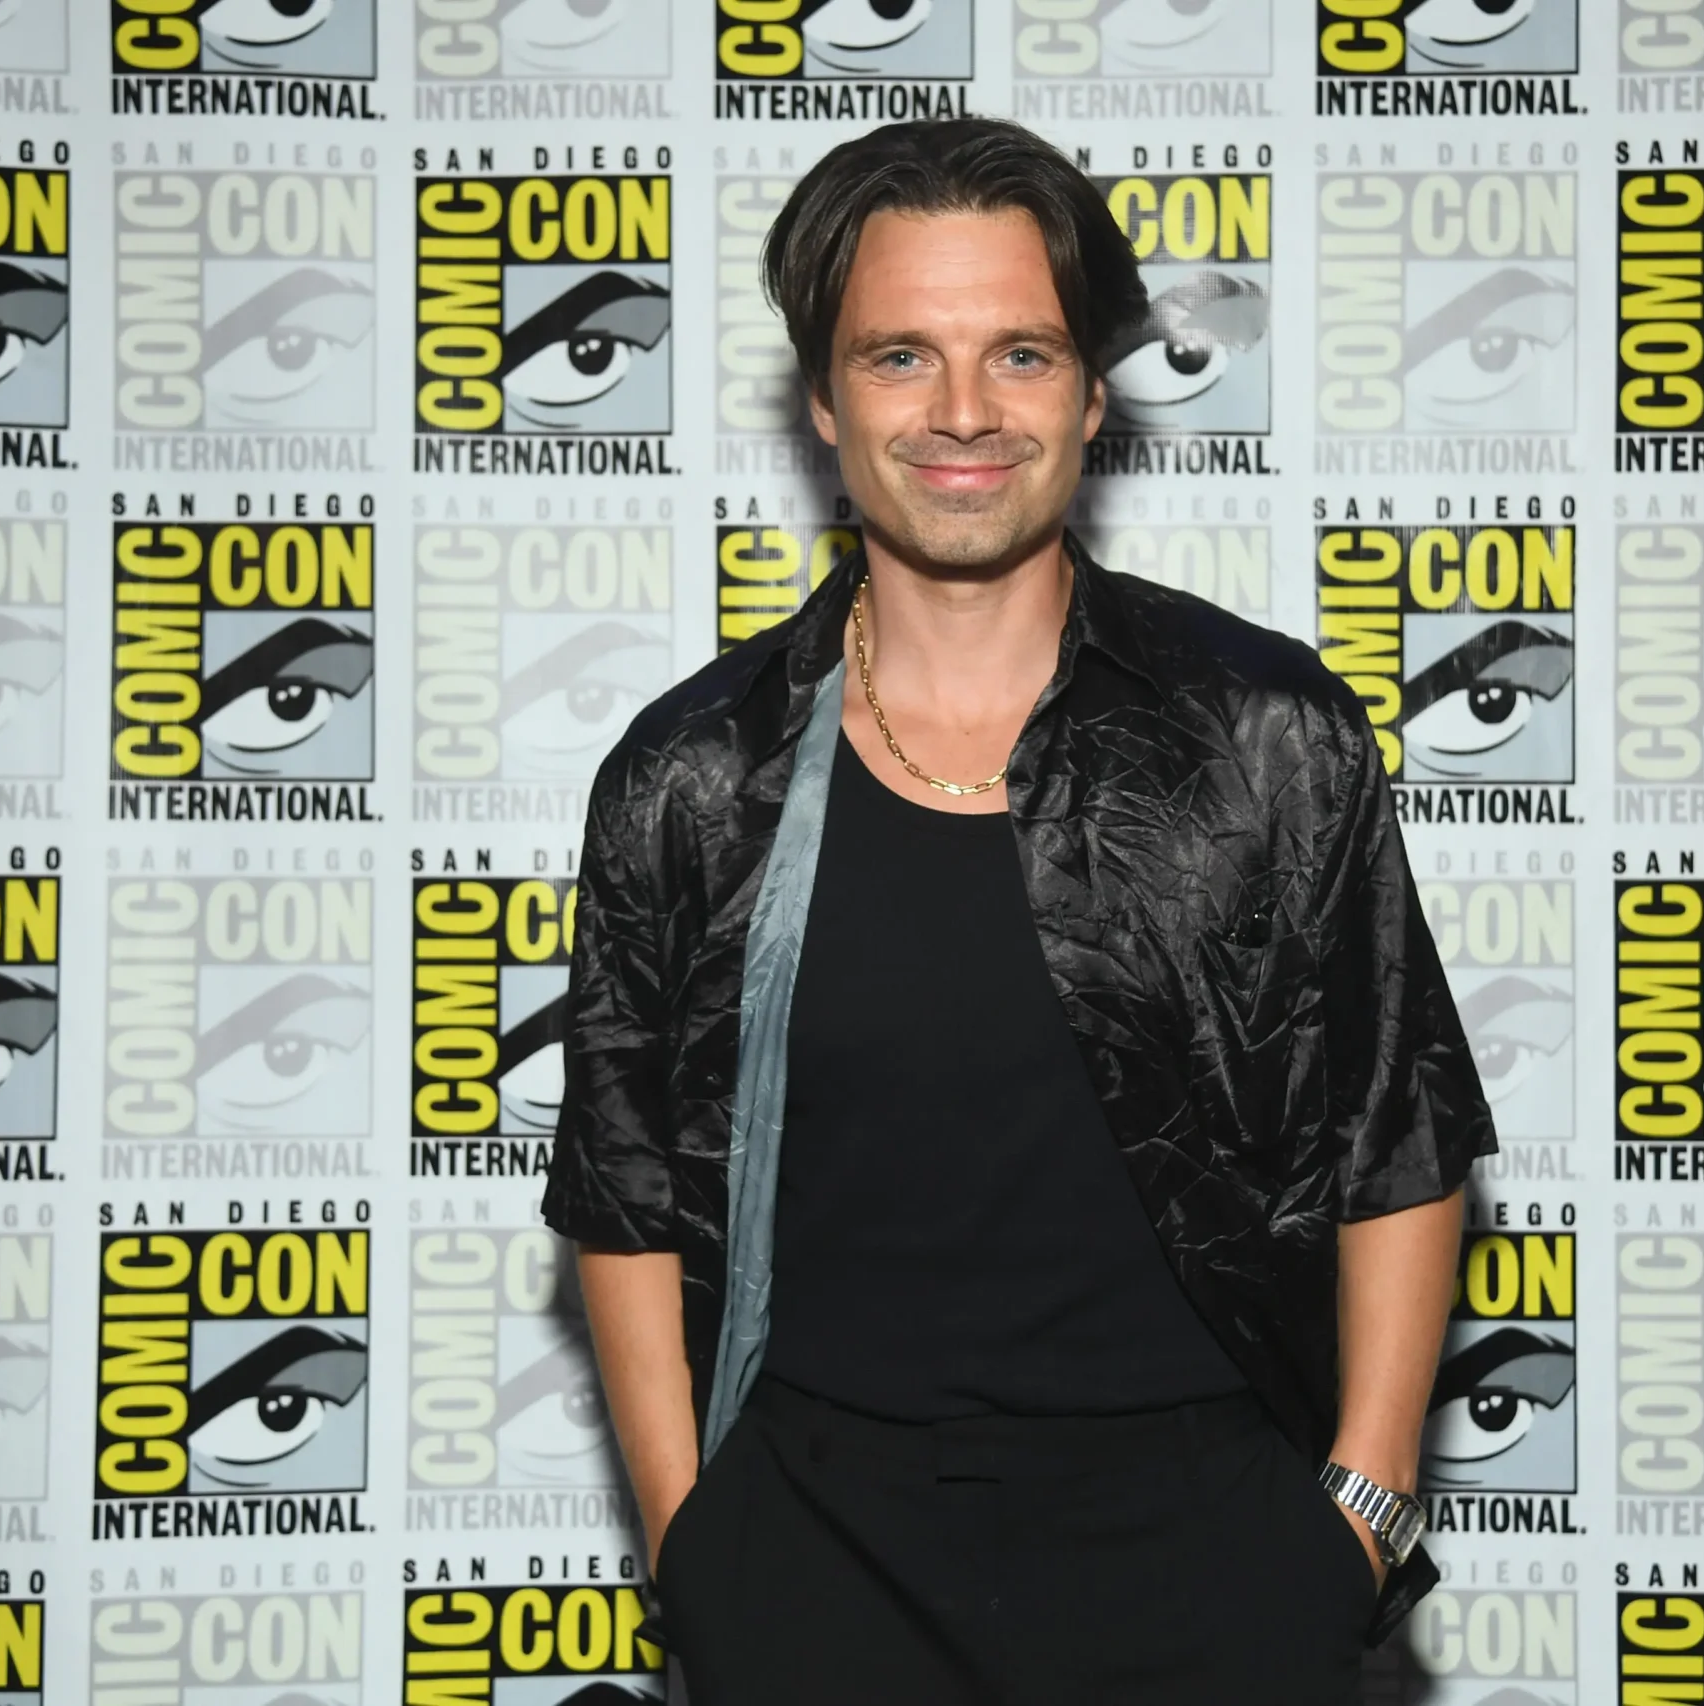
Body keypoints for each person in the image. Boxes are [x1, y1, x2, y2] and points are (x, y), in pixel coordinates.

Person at [543, 115, 1498, 1706]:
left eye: (1023, 355)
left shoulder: (1265, 734)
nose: (966, 412)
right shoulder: (696, 774)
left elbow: (1391, 1134)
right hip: (816, 1568)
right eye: (903, 356)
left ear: (1093, 396)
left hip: (1216, 1559)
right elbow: (626, 1190)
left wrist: (1356, 1520)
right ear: (826, 405)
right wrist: (691, 1543)